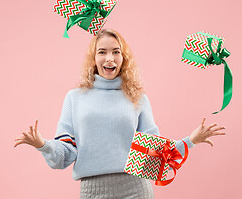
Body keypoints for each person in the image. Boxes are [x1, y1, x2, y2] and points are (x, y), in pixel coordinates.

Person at [14, 29, 226, 199]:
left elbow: (155, 155)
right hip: (92, 192)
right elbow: (64, 155)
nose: (110, 58)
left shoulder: (137, 98)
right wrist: (43, 144)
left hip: (136, 190)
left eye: (116, 52)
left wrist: (191, 140)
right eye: (102, 52)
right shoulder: (75, 98)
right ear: (93, 58)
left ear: (124, 58)